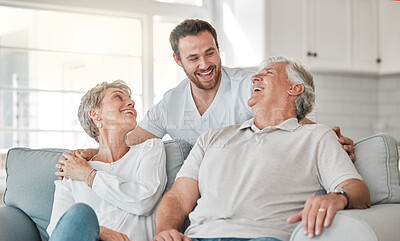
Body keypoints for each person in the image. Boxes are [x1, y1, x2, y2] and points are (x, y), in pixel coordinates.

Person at [110, 56, 371, 241]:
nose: (255, 78)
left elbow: (356, 189)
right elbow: (178, 197)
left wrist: (338, 198)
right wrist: (165, 230)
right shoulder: (214, 136)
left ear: (294, 89)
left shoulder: (317, 136)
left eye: (268, 74)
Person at [76, 19, 355, 160]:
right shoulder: (170, 104)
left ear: (219, 50)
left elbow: (293, 119)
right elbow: (128, 142)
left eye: (210, 53)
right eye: (193, 58)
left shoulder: (249, 84)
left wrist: (329, 138)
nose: (205, 65)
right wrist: (91, 153)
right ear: (178, 61)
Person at [36, 80, 167, 241]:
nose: (131, 103)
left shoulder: (150, 149)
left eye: (130, 99)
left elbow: (143, 201)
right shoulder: (72, 168)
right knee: (78, 216)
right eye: (118, 97)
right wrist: (101, 231)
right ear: (96, 115)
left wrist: (88, 175)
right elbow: (56, 229)